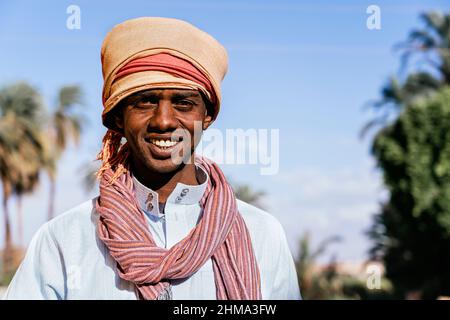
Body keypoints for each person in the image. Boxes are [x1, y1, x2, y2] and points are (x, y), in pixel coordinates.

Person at [4, 17, 301, 300]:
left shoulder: (261, 234)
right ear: (118, 116)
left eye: (183, 103)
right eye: (144, 101)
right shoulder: (65, 241)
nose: (163, 121)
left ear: (207, 115)